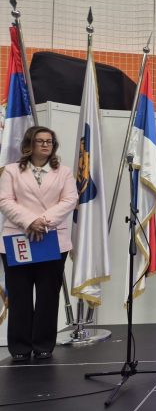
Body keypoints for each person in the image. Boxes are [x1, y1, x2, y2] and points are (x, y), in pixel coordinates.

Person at [0, 127, 78, 362]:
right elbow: (4, 200)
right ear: (29, 144)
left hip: (52, 239)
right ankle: (20, 347)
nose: (45, 145)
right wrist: (29, 221)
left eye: (49, 141)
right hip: (17, 239)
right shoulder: (11, 171)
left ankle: (43, 344)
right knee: (20, 295)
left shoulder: (63, 172)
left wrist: (42, 222)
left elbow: (70, 199)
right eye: (40, 141)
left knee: (47, 295)